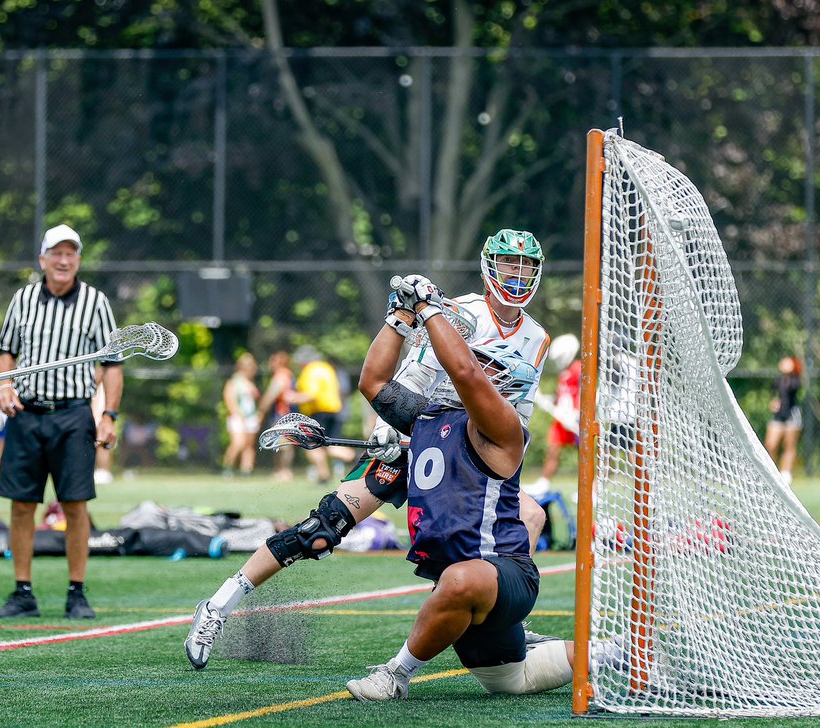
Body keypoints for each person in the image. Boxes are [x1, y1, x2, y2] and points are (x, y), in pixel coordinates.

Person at [185, 228, 551, 671]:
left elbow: (521, 411)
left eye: (525, 265)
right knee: (321, 529)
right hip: (423, 429)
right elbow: (410, 380)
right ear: (490, 266)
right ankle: (219, 605)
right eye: (510, 264)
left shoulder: (537, 337)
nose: (517, 273)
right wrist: (387, 429)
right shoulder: (462, 313)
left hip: (473, 452)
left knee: (530, 515)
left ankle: (501, 617)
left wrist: (499, 460)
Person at [345, 273, 577, 701]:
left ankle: (396, 674)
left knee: (457, 581)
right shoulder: (431, 417)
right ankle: (625, 656)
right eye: (480, 360)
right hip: (461, 583)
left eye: (490, 364)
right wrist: (400, 315)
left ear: (505, 384)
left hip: (498, 574)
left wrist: (430, 308)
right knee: (511, 679)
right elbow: (374, 382)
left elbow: (465, 372)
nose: (476, 364)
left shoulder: (503, 429)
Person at [0, 224, 122, 620]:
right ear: (43, 259)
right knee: (21, 505)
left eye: (71, 253)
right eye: (57, 253)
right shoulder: (23, 299)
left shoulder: (96, 302)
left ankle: (76, 592)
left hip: (72, 415)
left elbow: (112, 365)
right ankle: (22, 591)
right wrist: (4, 386)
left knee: (76, 505)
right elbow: (7, 352)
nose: (64, 260)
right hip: (27, 414)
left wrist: (109, 415)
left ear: (78, 259)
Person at [524, 334, 582, 497]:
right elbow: (561, 396)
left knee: (584, 455)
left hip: (576, 420)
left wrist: (577, 414)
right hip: (562, 419)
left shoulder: (578, 368)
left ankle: (589, 490)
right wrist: (544, 399)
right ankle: (544, 483)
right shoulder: (564, 374)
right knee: (553, 449)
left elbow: (583, 393)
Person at [292, 346, 354, 483]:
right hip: (335, 411)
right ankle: (355, 457)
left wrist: (292, 397)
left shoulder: (311, 370)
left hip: (318, 413)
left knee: (311, 445)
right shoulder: (327, 368)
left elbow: (311, 394)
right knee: (329, 445)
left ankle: (324, 475)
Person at [256, 350, 297, 481]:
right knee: (280, 444)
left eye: (272, 360)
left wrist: (261, 410)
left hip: (282, 415)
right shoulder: (289, 375)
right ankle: (280, 471)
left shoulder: (281, 376)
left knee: (284, 444)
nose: (270, 363)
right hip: (285, 414)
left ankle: (285, 471)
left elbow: (270, 395)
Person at [764, 355, 803, 485]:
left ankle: (786, 473)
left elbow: (790, 391)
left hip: (791, 415)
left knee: (789, 445)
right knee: (771, 444)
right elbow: (776, 395)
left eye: (788, 362)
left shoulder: (795, 381)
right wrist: (774, 402)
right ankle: (772, 471)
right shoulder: (778, 380)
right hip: (778, 416)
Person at [220, 353, 261, 478]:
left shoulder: (250, 382)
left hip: (251, 417)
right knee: (238, 443)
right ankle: (227, 468)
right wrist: (239, 415)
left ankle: (246, 470)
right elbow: (230, 400)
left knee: (249, 445)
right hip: (238, 417)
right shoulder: (234, 382)